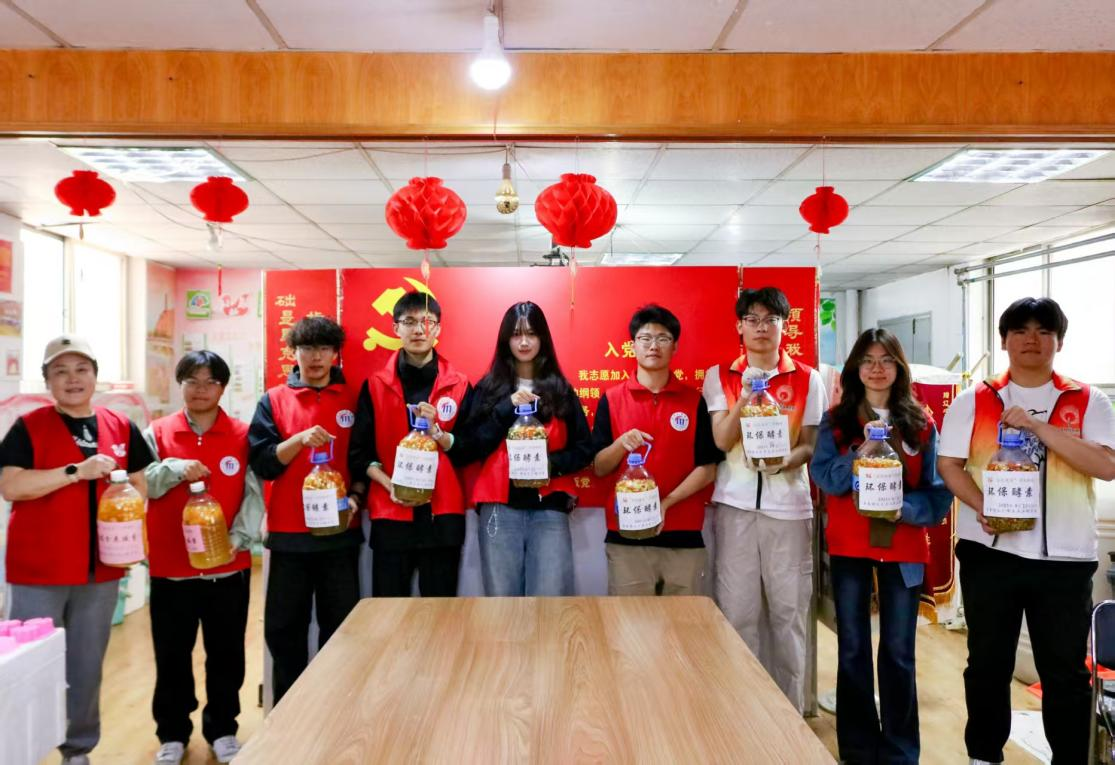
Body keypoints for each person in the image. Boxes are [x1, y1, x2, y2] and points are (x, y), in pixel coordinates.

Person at [937, 297, 1115, 765]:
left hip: (1065, 561)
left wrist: (1042, 429)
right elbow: (949, 465)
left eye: (1043, 331)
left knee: (1065, 672)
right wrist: (982, 506)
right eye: (1020, 331)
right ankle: (983, 756)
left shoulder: (1087, 400)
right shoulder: (975, 399)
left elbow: (1107, 466)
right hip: (990, 553)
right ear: (1004, 341)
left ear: (1059, 341)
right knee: (987, 664)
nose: (1031, 340)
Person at [0, 335, 154, 765]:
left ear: (95, 376)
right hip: (38, 572)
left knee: (86, 668)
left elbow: (140, 483)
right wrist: (74, 472)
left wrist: (126, 507)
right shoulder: (28, 427)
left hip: (100, 572)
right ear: (47, 380)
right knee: (28, 666)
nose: (72, 379)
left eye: (81, 370)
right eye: (61, 371)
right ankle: (20, 750)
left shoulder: (120, 426)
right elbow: (11, 485)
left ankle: (78, 750)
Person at [810, 329, 952, 764]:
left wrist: (902, 509)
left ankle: (900, 752)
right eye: (868, 360)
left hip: (904, 550)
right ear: (855, 368)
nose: (877, 369)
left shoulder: (921, 423)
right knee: (853, 649)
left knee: (898, 652)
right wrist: (861, 451)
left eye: (886, 360)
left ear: (899, 368)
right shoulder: (837, 422)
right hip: (851, 548)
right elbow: (825, 477)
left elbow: (938, 494)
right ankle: (857, 749)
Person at [702, 286, 826, 713]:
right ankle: (743, 711)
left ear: (784, 326)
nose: (761, 328)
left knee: (788, 615)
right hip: (735, 507)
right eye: (751, 320)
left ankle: (789, 714)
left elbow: (810, 444)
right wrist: (747, 395)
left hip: (789, 509)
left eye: (770, 320)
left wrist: (785, 461)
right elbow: (722, 440)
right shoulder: (720, 376)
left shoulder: (808, 378)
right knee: (738, 613)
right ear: (739, 327)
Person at [143, 351, 264, 765]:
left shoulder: (242, 434)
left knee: (227, 654)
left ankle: (223, 729)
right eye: (191, 381)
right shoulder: (157, 432)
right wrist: (175, 467)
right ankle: (172, 733)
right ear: (180, 385)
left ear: (222, 388)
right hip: (170, 568)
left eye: (210, 382)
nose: (200, 390)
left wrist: (238, 539)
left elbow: (254, 494)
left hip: (227, 567)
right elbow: (142, 483)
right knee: (171, 655)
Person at [248, 316, 362, 706]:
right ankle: (288, 713)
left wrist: (357, 496)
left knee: (342, 629)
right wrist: (298, 439)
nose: (316, 357)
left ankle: (335, 710)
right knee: (284, 631)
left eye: (324, 349)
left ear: (335, 354)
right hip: (289, 536)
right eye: (307, 348)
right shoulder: (273, 400)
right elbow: (264, 463)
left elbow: (363, 457)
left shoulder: (352, 398)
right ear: (293, 353)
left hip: (339, 535)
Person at [460, 301, 593, 596]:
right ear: (505, 339)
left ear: (542, 338)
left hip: (549, 509)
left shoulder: (560, 389)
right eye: (516, 334)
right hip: (499, 508)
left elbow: (585, 449)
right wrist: (505, 408)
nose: (524, 342)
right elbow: (469, 446)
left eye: (531, 334)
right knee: (502, 603)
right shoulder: (488, 388)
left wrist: (549, 465)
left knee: (550, 601)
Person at [592, 304, 721, 596]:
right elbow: (599, 467)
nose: (653, 346)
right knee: (629, 621)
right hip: (627, 536)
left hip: (684, 535)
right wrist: (620, 444)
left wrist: (666, 504)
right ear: (632, 346)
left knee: (685, 622)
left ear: (675, 347)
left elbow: (708, 468)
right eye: (645, 338)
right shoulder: (612, 399)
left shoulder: (694, 400)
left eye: (663, 338)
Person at [348, 292, 472, 597]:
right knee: (389, 609)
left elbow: (470, 448)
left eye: (427, 322)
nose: (419, 329)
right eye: (410, 322)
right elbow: (360, 453)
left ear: (438, 328)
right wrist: (389, 484)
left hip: (442, 514)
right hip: (391, 512)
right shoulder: (375, 385)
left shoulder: (460, 384)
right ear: (396, 328)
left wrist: (440, 434)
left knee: (441, 611)